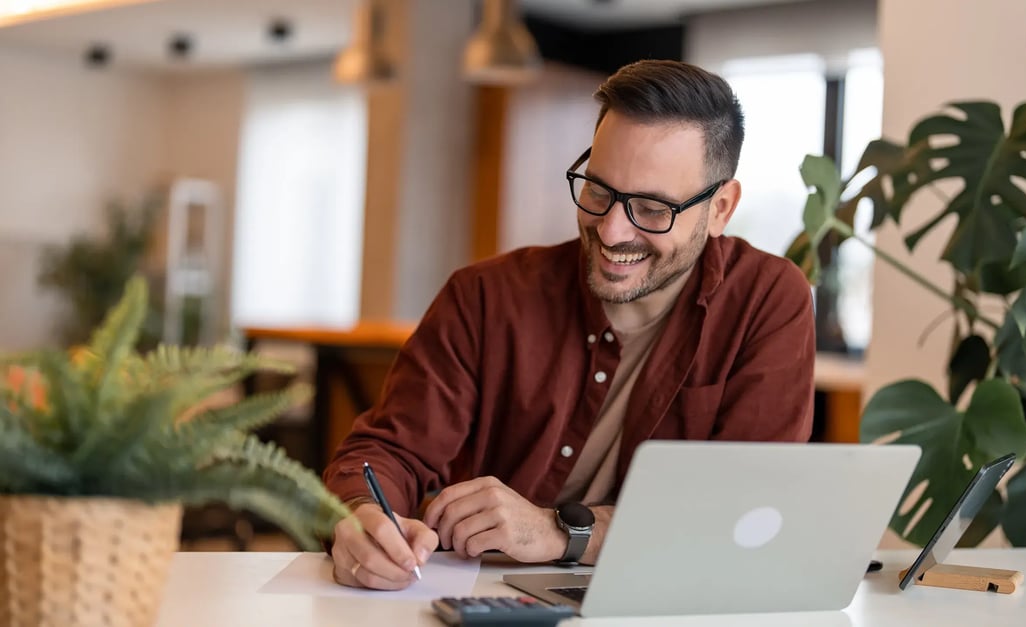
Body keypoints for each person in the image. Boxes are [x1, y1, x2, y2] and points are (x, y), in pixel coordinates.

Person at [323, 59, 815, 591]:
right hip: (487, 605)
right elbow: (387, 453)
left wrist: (560, 533)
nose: (610, 229)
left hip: (670, 599)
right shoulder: (485, 297)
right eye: (598, 191)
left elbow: (745, 513)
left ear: (719, 208)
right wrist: (362, 518)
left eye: (651, 209)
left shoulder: (767, 301)